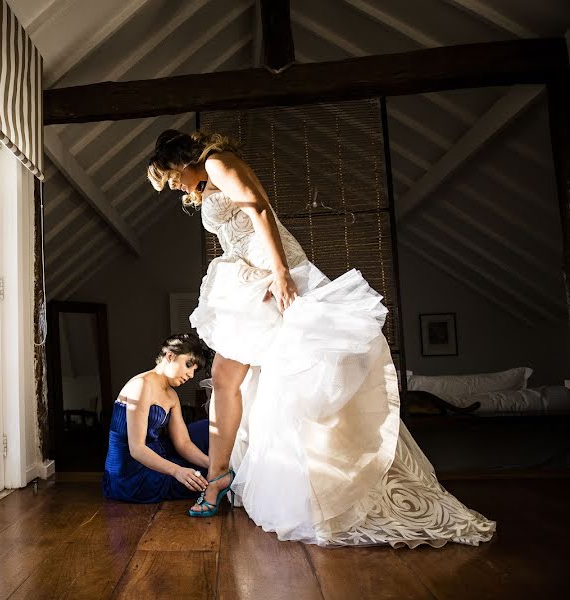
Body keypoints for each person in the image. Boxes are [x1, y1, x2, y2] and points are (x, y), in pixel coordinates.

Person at [145, 130, 495, 547]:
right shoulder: (208, 179)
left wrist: (280, 274)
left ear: (182, 159)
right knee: (235, 378)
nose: (175, 186)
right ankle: (225, 475)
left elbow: (260, 212)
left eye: (171, 176)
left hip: (273, 274)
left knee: (270, 378)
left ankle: (231, 479)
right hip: (250, 274)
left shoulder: (218, 162)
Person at [102, 333, 215, 503]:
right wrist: (178, 471)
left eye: (195, 370)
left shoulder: (171, 396)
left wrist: (214, 466)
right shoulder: (141, 385)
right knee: (201, 480)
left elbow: (183, 443)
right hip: (131, 472)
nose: (191, 375)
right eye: (189, 364)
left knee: (208, 429)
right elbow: (137, 449)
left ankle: (215, 470)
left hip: (157, 452)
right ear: (170, 356)